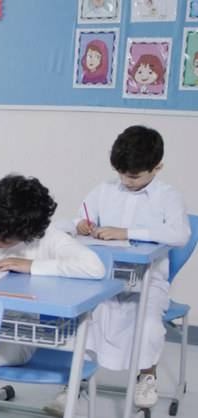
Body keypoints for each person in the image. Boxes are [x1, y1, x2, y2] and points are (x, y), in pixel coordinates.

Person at [0, 175, 105, 418]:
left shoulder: (46, 237)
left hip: (16, 335)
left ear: (28, 235)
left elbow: (94, 267)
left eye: (2, 239)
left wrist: (32, 265)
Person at [73, 126, 190, 410]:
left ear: (157, 167)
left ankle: (147, 375)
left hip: (149, 281)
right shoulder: (104, 190)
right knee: (84, 320)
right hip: (106, 279)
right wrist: (83, 225)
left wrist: (127, 232)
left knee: (148, 325)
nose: (127, 180)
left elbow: (180, 234)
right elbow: (80, 217)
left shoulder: (168, 196)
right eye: (122, 173)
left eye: (134, 176)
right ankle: (74, 380)